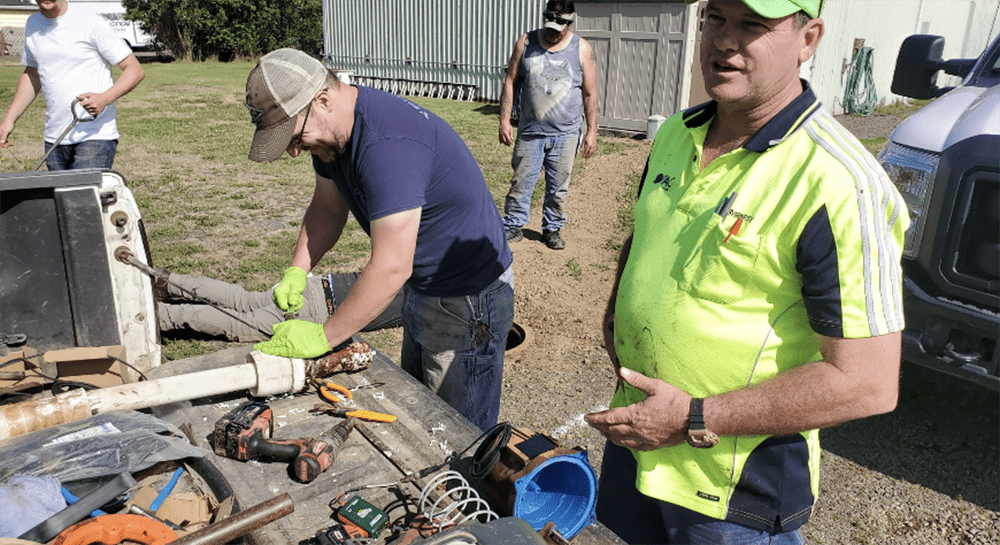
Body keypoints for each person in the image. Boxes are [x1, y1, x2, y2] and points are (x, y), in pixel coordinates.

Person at [584, 0, 910, 543]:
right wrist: (620, 305)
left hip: (730, 494)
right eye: (715, 18)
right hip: (638, 444)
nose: (723, 40)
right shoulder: (675, 133)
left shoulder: (837, 183)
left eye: (753, 25)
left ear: (809, 40)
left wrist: (691, 417)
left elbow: (867, 383)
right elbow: (646, 233)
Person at [243, 48, 514, 431]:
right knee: (421, 414)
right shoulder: (332, 135)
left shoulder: (387, 146)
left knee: (457, 434)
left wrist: (325, 336)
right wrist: (297, 269)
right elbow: (327, 208)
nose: (292, 150)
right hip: (425, 286)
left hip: (468, 298)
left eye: (293, 136)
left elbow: (391, 266)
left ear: (321, 99)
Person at [498, 0, 597, 250]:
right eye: (549, 26)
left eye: (559, 27)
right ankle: (513, 224)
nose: (553, 32)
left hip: (566, 133)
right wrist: (504, 119)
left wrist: (592, 131)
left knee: (558, 187)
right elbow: (510, 81)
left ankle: (552, 228)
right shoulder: (526, 43)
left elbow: (589, 93)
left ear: (570, 23)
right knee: (521, 181)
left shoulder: (581, 48)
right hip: (531, 132)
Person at [0, 0, 144, 170]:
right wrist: (9, 120)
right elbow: (33, 74)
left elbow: (134, 70)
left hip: (95, 135)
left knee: (83, 195)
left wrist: (104, 99)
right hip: (55, 137)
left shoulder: (90, 22)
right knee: (60, 196)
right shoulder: (33, 24)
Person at [157, 271, 403, 343]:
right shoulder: (427, 299)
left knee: (245, 300)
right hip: (320, 311)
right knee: (240, 326)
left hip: (317, 285)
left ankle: (169, 282)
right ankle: (162, 316)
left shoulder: (411, 267)